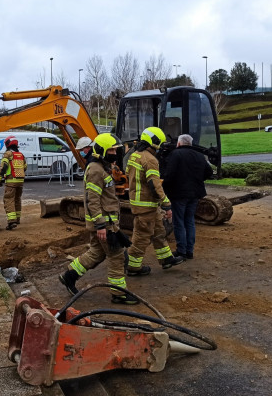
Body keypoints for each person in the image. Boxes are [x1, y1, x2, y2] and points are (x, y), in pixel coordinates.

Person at [59, 133, 139, 305]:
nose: (115, 152)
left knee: (96, 253)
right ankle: (119, 294)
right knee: (117, 256)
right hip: (105, 224)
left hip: (105, 222)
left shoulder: (102, 167)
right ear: (102, 150)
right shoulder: (96, 170)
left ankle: (69, 276)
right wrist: (101, 225)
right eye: (112, 150)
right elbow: (92, 199)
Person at [125, 127, 184, 275]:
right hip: (146, 206)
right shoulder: (150, 159)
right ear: (154, 142)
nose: (161, 146)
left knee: (159, 232)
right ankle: (132, 267)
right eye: (160, 142)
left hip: (143, 204)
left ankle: (166, 259)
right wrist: (166, 203)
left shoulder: (134, 155)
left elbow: (128, 174)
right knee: (141, 237)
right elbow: (155, 185)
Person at [162, 134, 214, 259]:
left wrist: (164, 189)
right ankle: (189, 251)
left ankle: (181, 251)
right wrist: (198, 180)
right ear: (190, 143)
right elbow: (209, 171)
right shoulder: (199, 155)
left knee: (178, 222)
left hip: (178, 194)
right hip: (195, 193)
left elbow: (169, 175)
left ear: (179, 143)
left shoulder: (175, 155)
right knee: (189, 221)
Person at [0, 136, 27, 230]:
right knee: (17, 199)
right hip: (20, 181)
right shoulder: (21, 155)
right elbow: (25, 167)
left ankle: (12, 222)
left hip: (11, 181)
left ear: (7, 144)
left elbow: (3, 167)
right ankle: (17, 219)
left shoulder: (8, 154)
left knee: (8, 200)